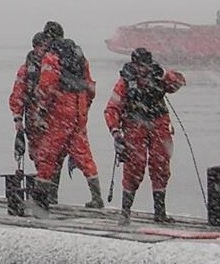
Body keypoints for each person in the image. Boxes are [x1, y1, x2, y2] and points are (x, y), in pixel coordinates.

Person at [104, 47, 187, 223]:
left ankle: (160, 212)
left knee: (161, 166)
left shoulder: (159, 76)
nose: (143, 69)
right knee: (134, 168)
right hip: (134, 126)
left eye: (146, 65)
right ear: (133, 65)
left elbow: (179, 83)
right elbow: (112, 108)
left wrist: (164, 74)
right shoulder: (124, 82)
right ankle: (125, 212)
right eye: (140, 66)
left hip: (159, 124)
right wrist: (116, 131)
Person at [30, 21, 103, 210]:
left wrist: (41, 110)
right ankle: (97, 197)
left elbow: (47, 85)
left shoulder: (52, 56)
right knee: (83, 153)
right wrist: (85, 106)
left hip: (62, 108)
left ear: (48, 37)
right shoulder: (78, 53)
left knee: (48, 152)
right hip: (79, 106)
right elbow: (90, 84)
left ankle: (41, 197)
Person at [8, 31, 51, 171]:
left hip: (51, 117)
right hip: (33, 117)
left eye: (46, 46)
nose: (44, 49)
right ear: (35, 47)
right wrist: (18, 119)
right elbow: (18, 94)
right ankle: (42, 182)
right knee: (36, 154)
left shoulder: (53, 68)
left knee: (51, 155)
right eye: (41, 46)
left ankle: (45, 183)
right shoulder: (26, 69)